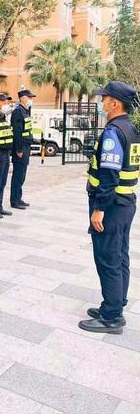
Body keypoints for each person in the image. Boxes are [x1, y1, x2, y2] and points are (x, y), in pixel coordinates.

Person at [78, 81, 140, 335]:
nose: (101, 103)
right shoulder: (131, 129)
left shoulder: (114, 132)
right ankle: (115, 303)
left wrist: (99, 209)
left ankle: (112, 317)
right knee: (120, 255)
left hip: (112, 206)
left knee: (108, 259)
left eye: (104, 99)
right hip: (126, 204)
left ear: (115, 102)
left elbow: (109, 175)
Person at [10, 88, 36, 209]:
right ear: (22, 98)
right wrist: (19, 150)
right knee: (18, 174)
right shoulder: (18, 112)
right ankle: (14, 200)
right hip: (21, 148)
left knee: (22, 175)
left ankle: (18, 198)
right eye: (29, 98)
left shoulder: (26, 111)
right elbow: (17, 132)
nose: (31, 100)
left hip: (26, 146)